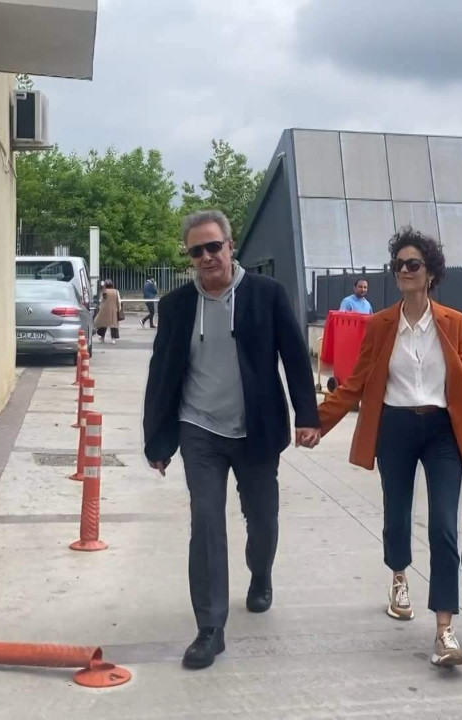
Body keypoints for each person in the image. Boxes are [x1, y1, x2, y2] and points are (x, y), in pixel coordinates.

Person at [142, 209, 321, 670]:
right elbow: (162, 373)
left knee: (262, 519)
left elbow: (295, 357)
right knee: (205, 520)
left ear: (230, 246)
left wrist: (307, 415)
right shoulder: (177, 306)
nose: (206, 257)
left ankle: (260, 574)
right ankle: (210, 628)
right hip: (199, 427)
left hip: (256, 428)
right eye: (196, 251)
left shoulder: (266, 294)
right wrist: (156, 440)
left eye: (213, 246)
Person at [315, 227, 462, 668]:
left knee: (443, 527)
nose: (404, 271)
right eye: (399, 265)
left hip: (442, 432)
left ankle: (445, 631)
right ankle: (399, 578)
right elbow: (355, 382)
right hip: (395, 427)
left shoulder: (453, 322)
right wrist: (316, 422)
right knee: (396, 515)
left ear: (430, 273)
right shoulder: (380, 324)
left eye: (413, 264)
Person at [94, 280, 122, 344]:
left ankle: (102, 337)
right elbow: (118, 301)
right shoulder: (116, 291)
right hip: (113, 310)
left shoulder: (104, 291)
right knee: (113, 324)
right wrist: (119, 308)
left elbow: (101, 300)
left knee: (104, 323)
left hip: (104, 309)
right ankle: (113, 339)